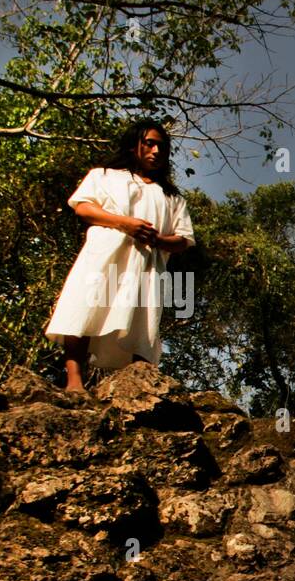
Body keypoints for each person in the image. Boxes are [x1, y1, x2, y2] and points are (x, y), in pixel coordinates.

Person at [44, 119, 196, 392]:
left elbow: (184, 239)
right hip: (103, 257)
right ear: (133, 145)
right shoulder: (104, 175)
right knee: (85, 310)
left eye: (162, 146)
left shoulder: (172, 196)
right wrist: (124, 223)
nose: (156, 150)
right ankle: (74, 382)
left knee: (142, 320)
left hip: (146, 267)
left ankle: (137, 389)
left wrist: (159, 239)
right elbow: (83, 209)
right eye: (149, 143)